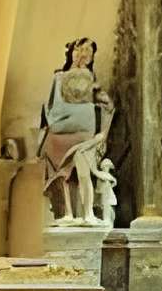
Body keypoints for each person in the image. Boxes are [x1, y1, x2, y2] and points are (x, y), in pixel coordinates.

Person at [37, 37, 114, 224]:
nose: (83, 53)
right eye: (80, 49)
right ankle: (68, 214)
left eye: (89, 51)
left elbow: (108, 105)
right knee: (61, 174)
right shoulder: (59, 77)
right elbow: (48, 106)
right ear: (71, 51)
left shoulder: (91, 81)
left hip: (83, 132)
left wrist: (104, 132)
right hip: (59, 131)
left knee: (83, 171)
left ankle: (88, 213)